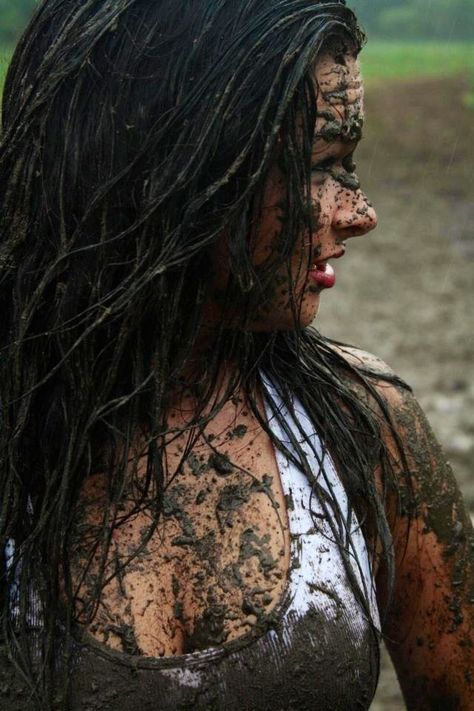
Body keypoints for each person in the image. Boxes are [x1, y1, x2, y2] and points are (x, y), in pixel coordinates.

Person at [0, 0, 472, 709]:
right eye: (322, 164)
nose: (361, 212)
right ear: (176, 171)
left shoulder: (367, 431)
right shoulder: (17, 446)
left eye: (350, 164)